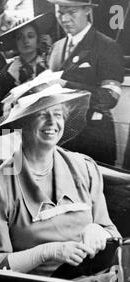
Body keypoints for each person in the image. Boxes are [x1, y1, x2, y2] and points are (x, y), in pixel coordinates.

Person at [0, 84, 121, 277]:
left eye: (58, 114)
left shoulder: (84, 167)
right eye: (41, 115)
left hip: (103, 278)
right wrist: (48, 252)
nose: (52, 122)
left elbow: (112, 233)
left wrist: (98, 230)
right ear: (22, 124)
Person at [47, 0, 125, 166]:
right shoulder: (55, 48)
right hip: (59, 141)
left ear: (87, 10)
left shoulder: (107, 46)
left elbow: (109, 98)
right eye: (60, 12)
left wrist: (65, 85)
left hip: (93, 142)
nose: (65, 19)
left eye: (71, 12)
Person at [0, 13, 55, 103]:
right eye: (19, 37)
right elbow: (0, 105)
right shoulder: (8, 73)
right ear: (15, 42)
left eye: (30, 36)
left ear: (38, 39)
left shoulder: (50, 63)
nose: (25, 41)